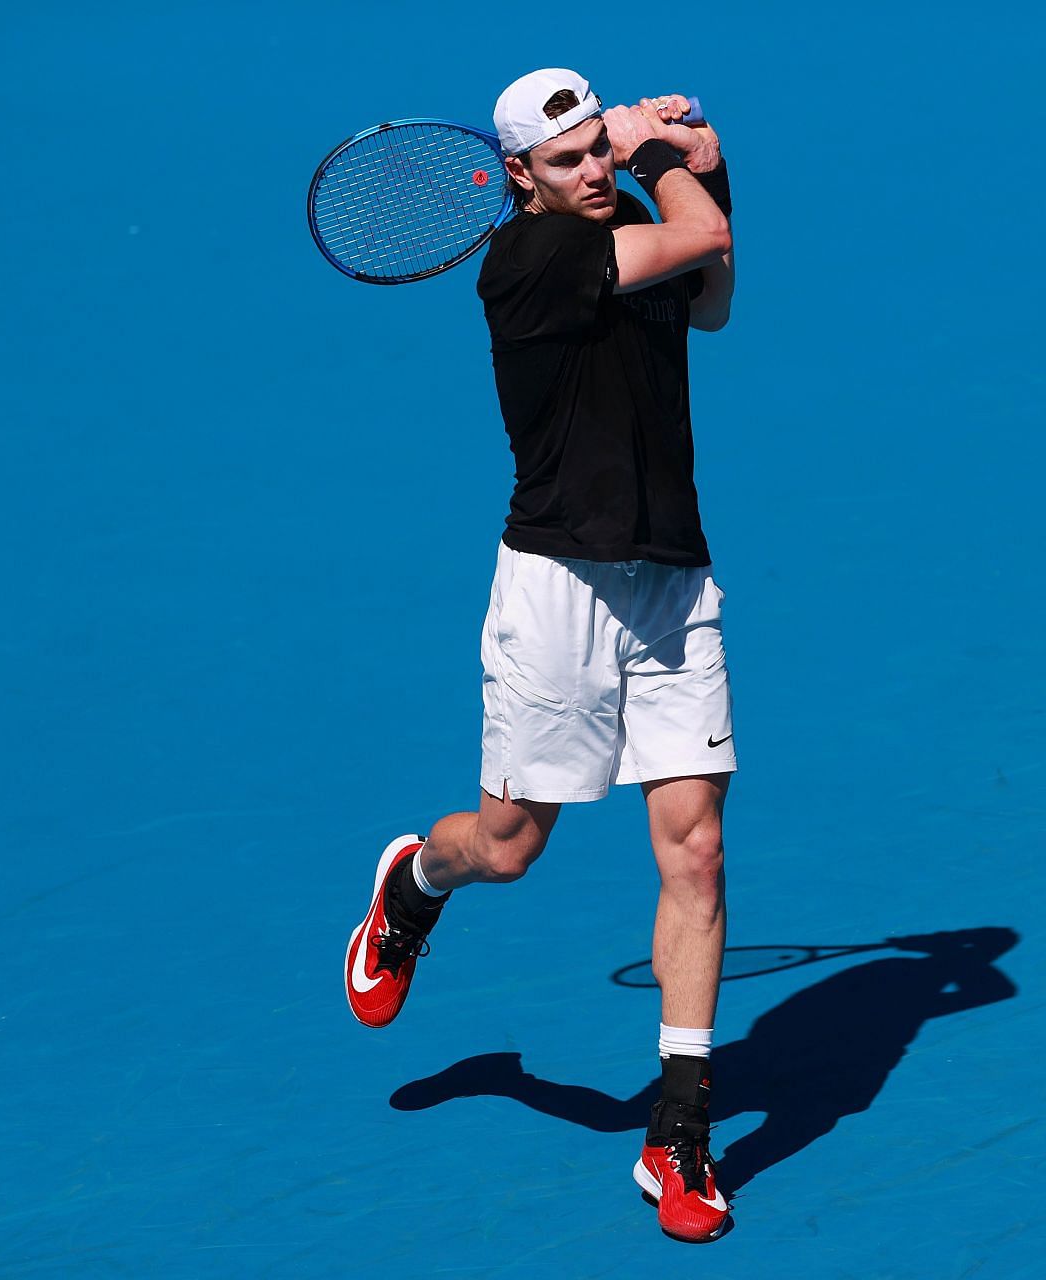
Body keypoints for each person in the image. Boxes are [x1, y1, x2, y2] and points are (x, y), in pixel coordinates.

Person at [342, 67, 738, 1243]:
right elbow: (699, 232)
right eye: (566, 162)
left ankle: (679, 1135)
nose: (592, 171)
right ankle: (415, 882)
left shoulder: (632, 215)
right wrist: (663, 156)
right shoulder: (524, 263)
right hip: (555, 589)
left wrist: (693, 153)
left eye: (594, 153)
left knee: (699, 849)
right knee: (509, 847)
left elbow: (710, 293)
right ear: (519, 177)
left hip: (671, 576)